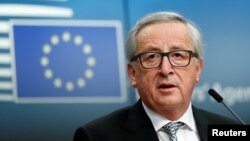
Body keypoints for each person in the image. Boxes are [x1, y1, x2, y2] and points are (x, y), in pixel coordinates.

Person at [73, 11, 239, 141]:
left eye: (178, 55)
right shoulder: (96, 136)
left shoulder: (231, 130)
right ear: (133, 74)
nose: (166, 69)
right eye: (152, 57)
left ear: (197, 70)